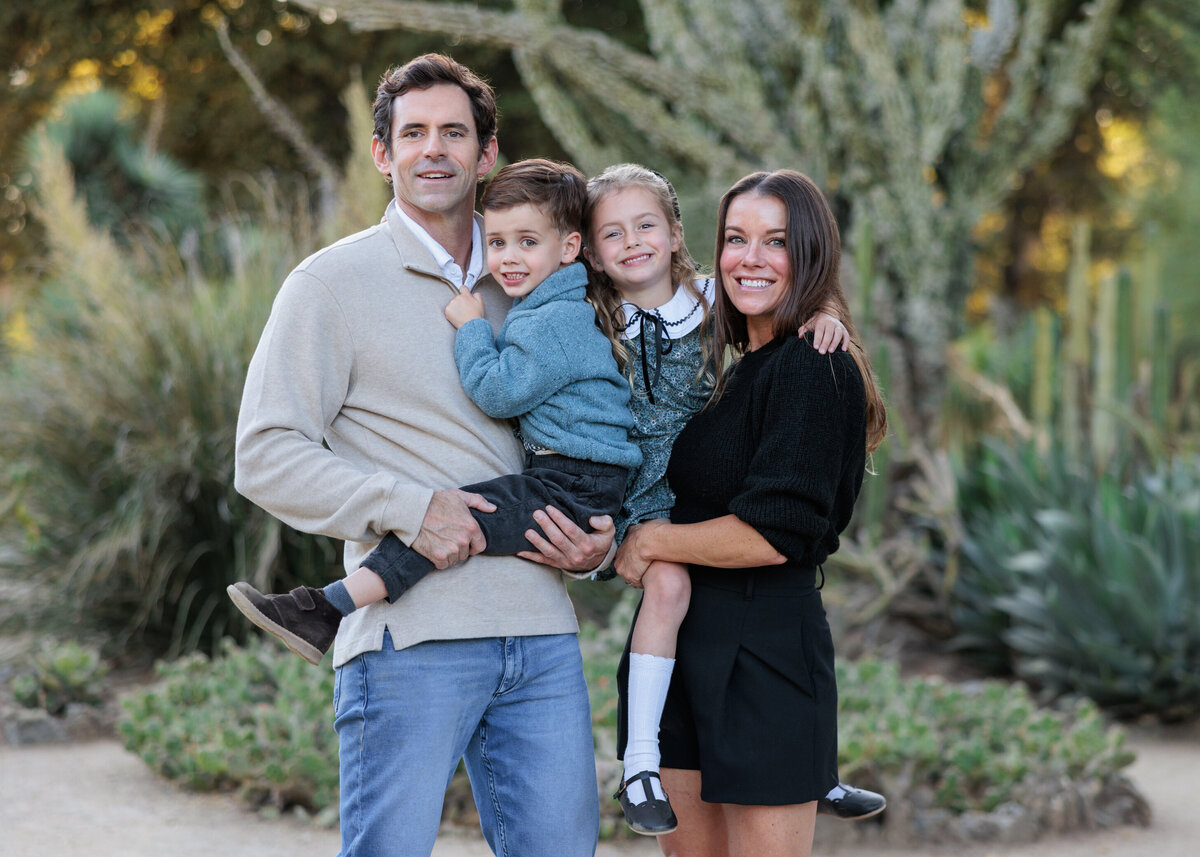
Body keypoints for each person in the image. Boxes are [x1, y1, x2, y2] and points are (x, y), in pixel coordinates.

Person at [233, 54, 609, 857]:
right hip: (409, 637)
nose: (433, 148)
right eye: (413, 133)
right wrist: (411, 506)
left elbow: (600, 425)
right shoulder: (329, 284)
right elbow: (265, 452)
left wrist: (600, 541)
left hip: (541, 632)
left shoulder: (537, 276)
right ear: (382, 154)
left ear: (488, 154)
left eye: (453, 132)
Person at [228, 157, 639, 666]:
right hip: (568, 485)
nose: (508, 257)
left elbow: (497, 392)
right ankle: (322, 608)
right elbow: (263, 454)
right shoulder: (544, 304)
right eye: (498, 242)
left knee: (456, 516)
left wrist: (472, 328)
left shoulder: (548, 318)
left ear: (570, 248)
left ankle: (322, 608)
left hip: (573, 487)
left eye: (528, 242)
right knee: (441, 518)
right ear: (379, 153)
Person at [582, 164, 886, 836]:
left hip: (767, 656)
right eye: (736, 238)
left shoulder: (813, 362)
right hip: (681, 649)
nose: (751, 259)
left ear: (809, 253)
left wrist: (652, 541)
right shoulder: (726, 355)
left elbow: (775, 533)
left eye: (776, 242)